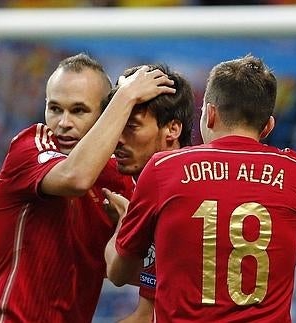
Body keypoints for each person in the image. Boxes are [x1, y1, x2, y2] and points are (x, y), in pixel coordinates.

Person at [105, 55, 296, 322]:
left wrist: (123, 225)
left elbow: (119, 272)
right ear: (267, 126)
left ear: (211, 113)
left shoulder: (164, 168)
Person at [0, 53, 176, 322]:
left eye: (78, 110)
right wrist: (126, 96)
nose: (63, 123)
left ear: (105, 116)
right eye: (55, 109)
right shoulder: (30, 147)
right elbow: (76, 178)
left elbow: (128, 274)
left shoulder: (118, 178)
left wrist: (125, 234)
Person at [102, 63, 194, 323]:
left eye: (131, 127)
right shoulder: (169, 183)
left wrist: (123, 222)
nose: (117, 139)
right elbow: (147, 313)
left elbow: (118, 274)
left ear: (172, 130)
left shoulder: (175, 194)